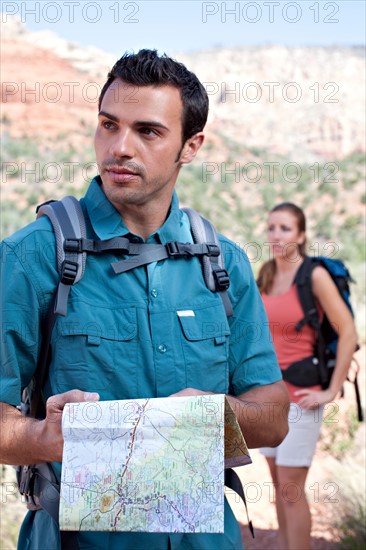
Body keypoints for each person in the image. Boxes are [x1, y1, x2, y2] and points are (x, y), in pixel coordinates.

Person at [0, 49, 289, 550]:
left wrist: (219, 413)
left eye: (148, 131)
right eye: (108, 125)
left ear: (190, 145)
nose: (120, 148)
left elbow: (276, 417)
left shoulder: (225, 264)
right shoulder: (32, 257)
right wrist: (41, 438)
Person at [257, 202, 358, 550]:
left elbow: (348, 331)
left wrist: (330, 392)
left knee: (290, 487)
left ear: (300, 235)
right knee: (276, 485)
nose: (275, 234)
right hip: (268, 396)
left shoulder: (313, 275)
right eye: (271, 227)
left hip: (302, 397)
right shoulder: (267, 275)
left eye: (284, 228)